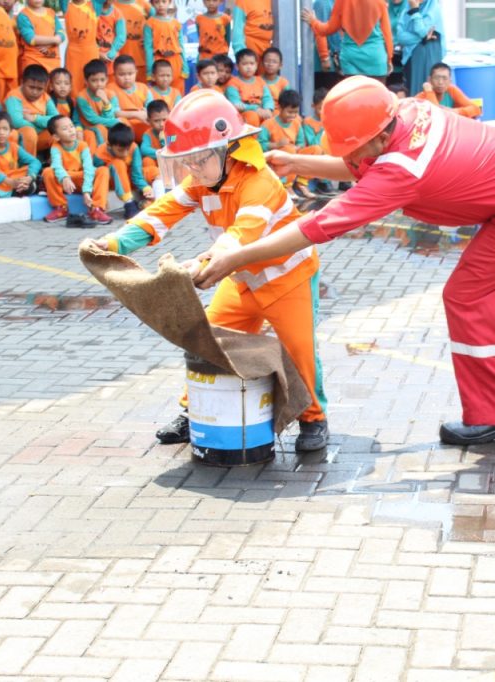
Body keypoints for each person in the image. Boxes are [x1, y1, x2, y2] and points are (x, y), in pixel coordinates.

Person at [194, 76, 495, 446]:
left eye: (351, 147)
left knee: (471, 296)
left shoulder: (400, 170)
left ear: (378, 135)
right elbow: (367, 163)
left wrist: (237, 256)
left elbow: (315, 227)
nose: (348, 155)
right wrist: (298, 162)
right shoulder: (409, 112)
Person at [90, 89, 331, 451]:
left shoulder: (260, 182)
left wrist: (203, 264)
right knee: (206, 341)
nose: (191, 168)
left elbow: (240, 236)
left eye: (197, 159)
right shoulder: (203, 179)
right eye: (186, 161)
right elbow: (162, 211)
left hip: (287, 279)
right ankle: (194, 411)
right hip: (241, 277)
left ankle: (314, 419)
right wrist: (114, 243)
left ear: (225, 149)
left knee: (300, 351)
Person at [42, 113, 112, 225]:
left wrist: (86, 192)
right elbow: (57, 165)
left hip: (82, 179)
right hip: (66, 183)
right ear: (56, 137)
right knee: (48, 171)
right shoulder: (56, 147)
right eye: (65, 129)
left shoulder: (82, 145)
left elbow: (88, 169)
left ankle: (96, 209)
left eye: (71, 126)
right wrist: (64, 177)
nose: (71, 130)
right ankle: (61, 207)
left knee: (103, 170)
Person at [303, 0, 393, 81]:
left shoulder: (342, 2)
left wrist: (313, 21)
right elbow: (387, 34)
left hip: (351, 59)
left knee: (352, 93)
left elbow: (328, 29)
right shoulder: (380, 2)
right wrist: (389, 59)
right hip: (375, 57)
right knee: (377, 93)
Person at [259, 88, 322, 199]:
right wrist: (276, 145)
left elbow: (301, 142)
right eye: (289, 112)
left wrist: (297, 147)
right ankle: (287, 185)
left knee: (317, 149)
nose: (292, 115)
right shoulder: (268, 124)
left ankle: (302, 182)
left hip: (293, 154)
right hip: (275, 161)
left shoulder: (296, 123)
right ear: (279, 108)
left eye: (295, 112)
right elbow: (260, 145)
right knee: (289, 150)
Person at [92, 121, 154, 218]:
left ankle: (156, 200)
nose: (125, 154)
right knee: (118, 163)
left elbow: (137, 174)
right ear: (109, 145)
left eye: (127, 149)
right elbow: (97, 175)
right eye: (120, 150)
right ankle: (129, 203)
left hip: (129, 179)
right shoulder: (100, 153)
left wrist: (145, 188)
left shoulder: (134, 148)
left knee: (153, 171)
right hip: (112, 182)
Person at [5, 63, 58, 155]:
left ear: (46, 86)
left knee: (60, 132)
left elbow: (57, 120)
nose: (35, 92)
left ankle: (54, 161)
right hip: (18, 138)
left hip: (39, 137)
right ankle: (28, 162)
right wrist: (41, 126)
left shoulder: (45, 97)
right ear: (22, 82)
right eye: (31, 87)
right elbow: (16, 122)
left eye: (40, 89)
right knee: (29, 132)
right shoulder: (14, 96)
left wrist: (35, 118)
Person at [393, 0, 443, 93]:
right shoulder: (406, 9)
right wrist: (423, 38)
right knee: (412, 93)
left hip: (428, 56)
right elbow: (400, 37)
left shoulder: (433, 9)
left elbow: (422, 31)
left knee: (427, 91)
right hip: (410, 58)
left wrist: (415, 11)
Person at [145, 0, 189, 93]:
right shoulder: (149, 24)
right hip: (159, 61)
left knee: (177, 91)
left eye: (164, 2)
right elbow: (148, 48)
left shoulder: (176, 23)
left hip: (176, 62)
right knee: (159, 92)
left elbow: (181, 46)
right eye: (157, 2)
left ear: (169, 2)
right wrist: (150, 71)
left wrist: (185, 67)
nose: (160, 5)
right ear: (152, 4)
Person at [76, 58, 120, 150]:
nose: (99, 84)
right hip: (89, 125)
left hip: (106, 122)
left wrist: (105, 102)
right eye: (94, 80)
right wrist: (114, 122)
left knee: (124, 122)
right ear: (86, 81)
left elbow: (110, 116)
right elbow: (93, 119)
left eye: (102, 80)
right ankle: (102, 153)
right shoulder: (82, 97)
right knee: (101, 128)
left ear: (107, 79)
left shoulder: (111, 94)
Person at [225, 48, 273, 126]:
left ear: (256, 65)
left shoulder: (260, 81)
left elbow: (267, 98)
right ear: (237, 66)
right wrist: (255, 109)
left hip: (262, 111)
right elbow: (236, 104)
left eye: (252, 64)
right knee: (252, 117)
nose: (249, 67)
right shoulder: (232, 83)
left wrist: (268, 109)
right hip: (243, 115)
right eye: (245, 64)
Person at [415, 62, 482, 118]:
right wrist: (429, 92)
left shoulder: (451, 90)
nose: (440, 82)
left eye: (445, 78)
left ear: (450, 81)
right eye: (436, 78)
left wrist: (455, 111)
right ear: (429, 80)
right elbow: (436, 114)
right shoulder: (423, 96)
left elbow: (477, 109)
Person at [16, 0, 64, 74]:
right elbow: (31, 39)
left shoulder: (51, 12)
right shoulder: (23, 15)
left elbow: (61, 33)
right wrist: (55, 40)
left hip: (53, 59)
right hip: (34, 61)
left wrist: (51, 43)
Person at [112, 54, 152, 140]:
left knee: (159, 126)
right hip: (124, 125)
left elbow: (151, 107)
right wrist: (136, 114)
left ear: (136, 72)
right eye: (122, 74)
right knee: (120, 123)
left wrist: (147, 111)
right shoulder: (111, 90)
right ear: (114, 75)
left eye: (130, 74)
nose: (127, 78)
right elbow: (114, 113)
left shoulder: (143, 88)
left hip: (142, 122)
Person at [62, 0, 96, 94]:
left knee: (92, 82)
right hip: (73, 53)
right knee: (73, 84)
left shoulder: (94, 5)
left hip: (90, 52)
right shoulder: (66, 6)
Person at [114, 0, 147, 82]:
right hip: (118, 59)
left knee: (141, 88)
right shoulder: (113, 5)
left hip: (140, 58)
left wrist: (151, 38)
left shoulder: (143, 4)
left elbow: (156, 21)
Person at [96, 0, 126, 78]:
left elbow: (121, 36)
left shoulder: (117, 13)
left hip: (111, 58)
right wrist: (97, 53)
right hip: (94, 57)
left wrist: (111, 54)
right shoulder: (91, 11)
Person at [140, 98, 166, 181]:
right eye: (156, 121)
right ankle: (156, 181)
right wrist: (160, 152)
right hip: (156, 164)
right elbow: (144, 149)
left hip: (168, 163)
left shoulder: (172, 133)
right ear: (149, 121)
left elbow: (171, 147)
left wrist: (163, 140)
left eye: (164, 120)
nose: (161, 124)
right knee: (147, 160)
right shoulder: (148, 134)